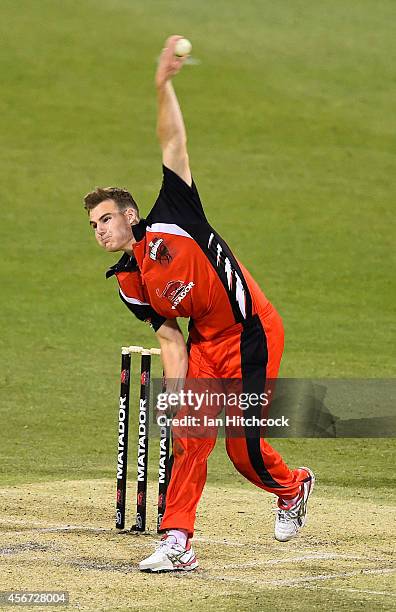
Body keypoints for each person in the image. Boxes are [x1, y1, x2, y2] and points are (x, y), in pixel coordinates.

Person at [84, 35, 315, 573]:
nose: (101, 230)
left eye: (108, 218)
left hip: (251, 330)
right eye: (94, 225)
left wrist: (164, 85)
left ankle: (294, 485)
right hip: (207, 346)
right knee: (190, 439)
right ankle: (177, 541)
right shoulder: (129, 280)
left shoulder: (175, 212)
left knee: (245, 450)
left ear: (131, 214)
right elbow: (169, 337)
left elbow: (173, 145)